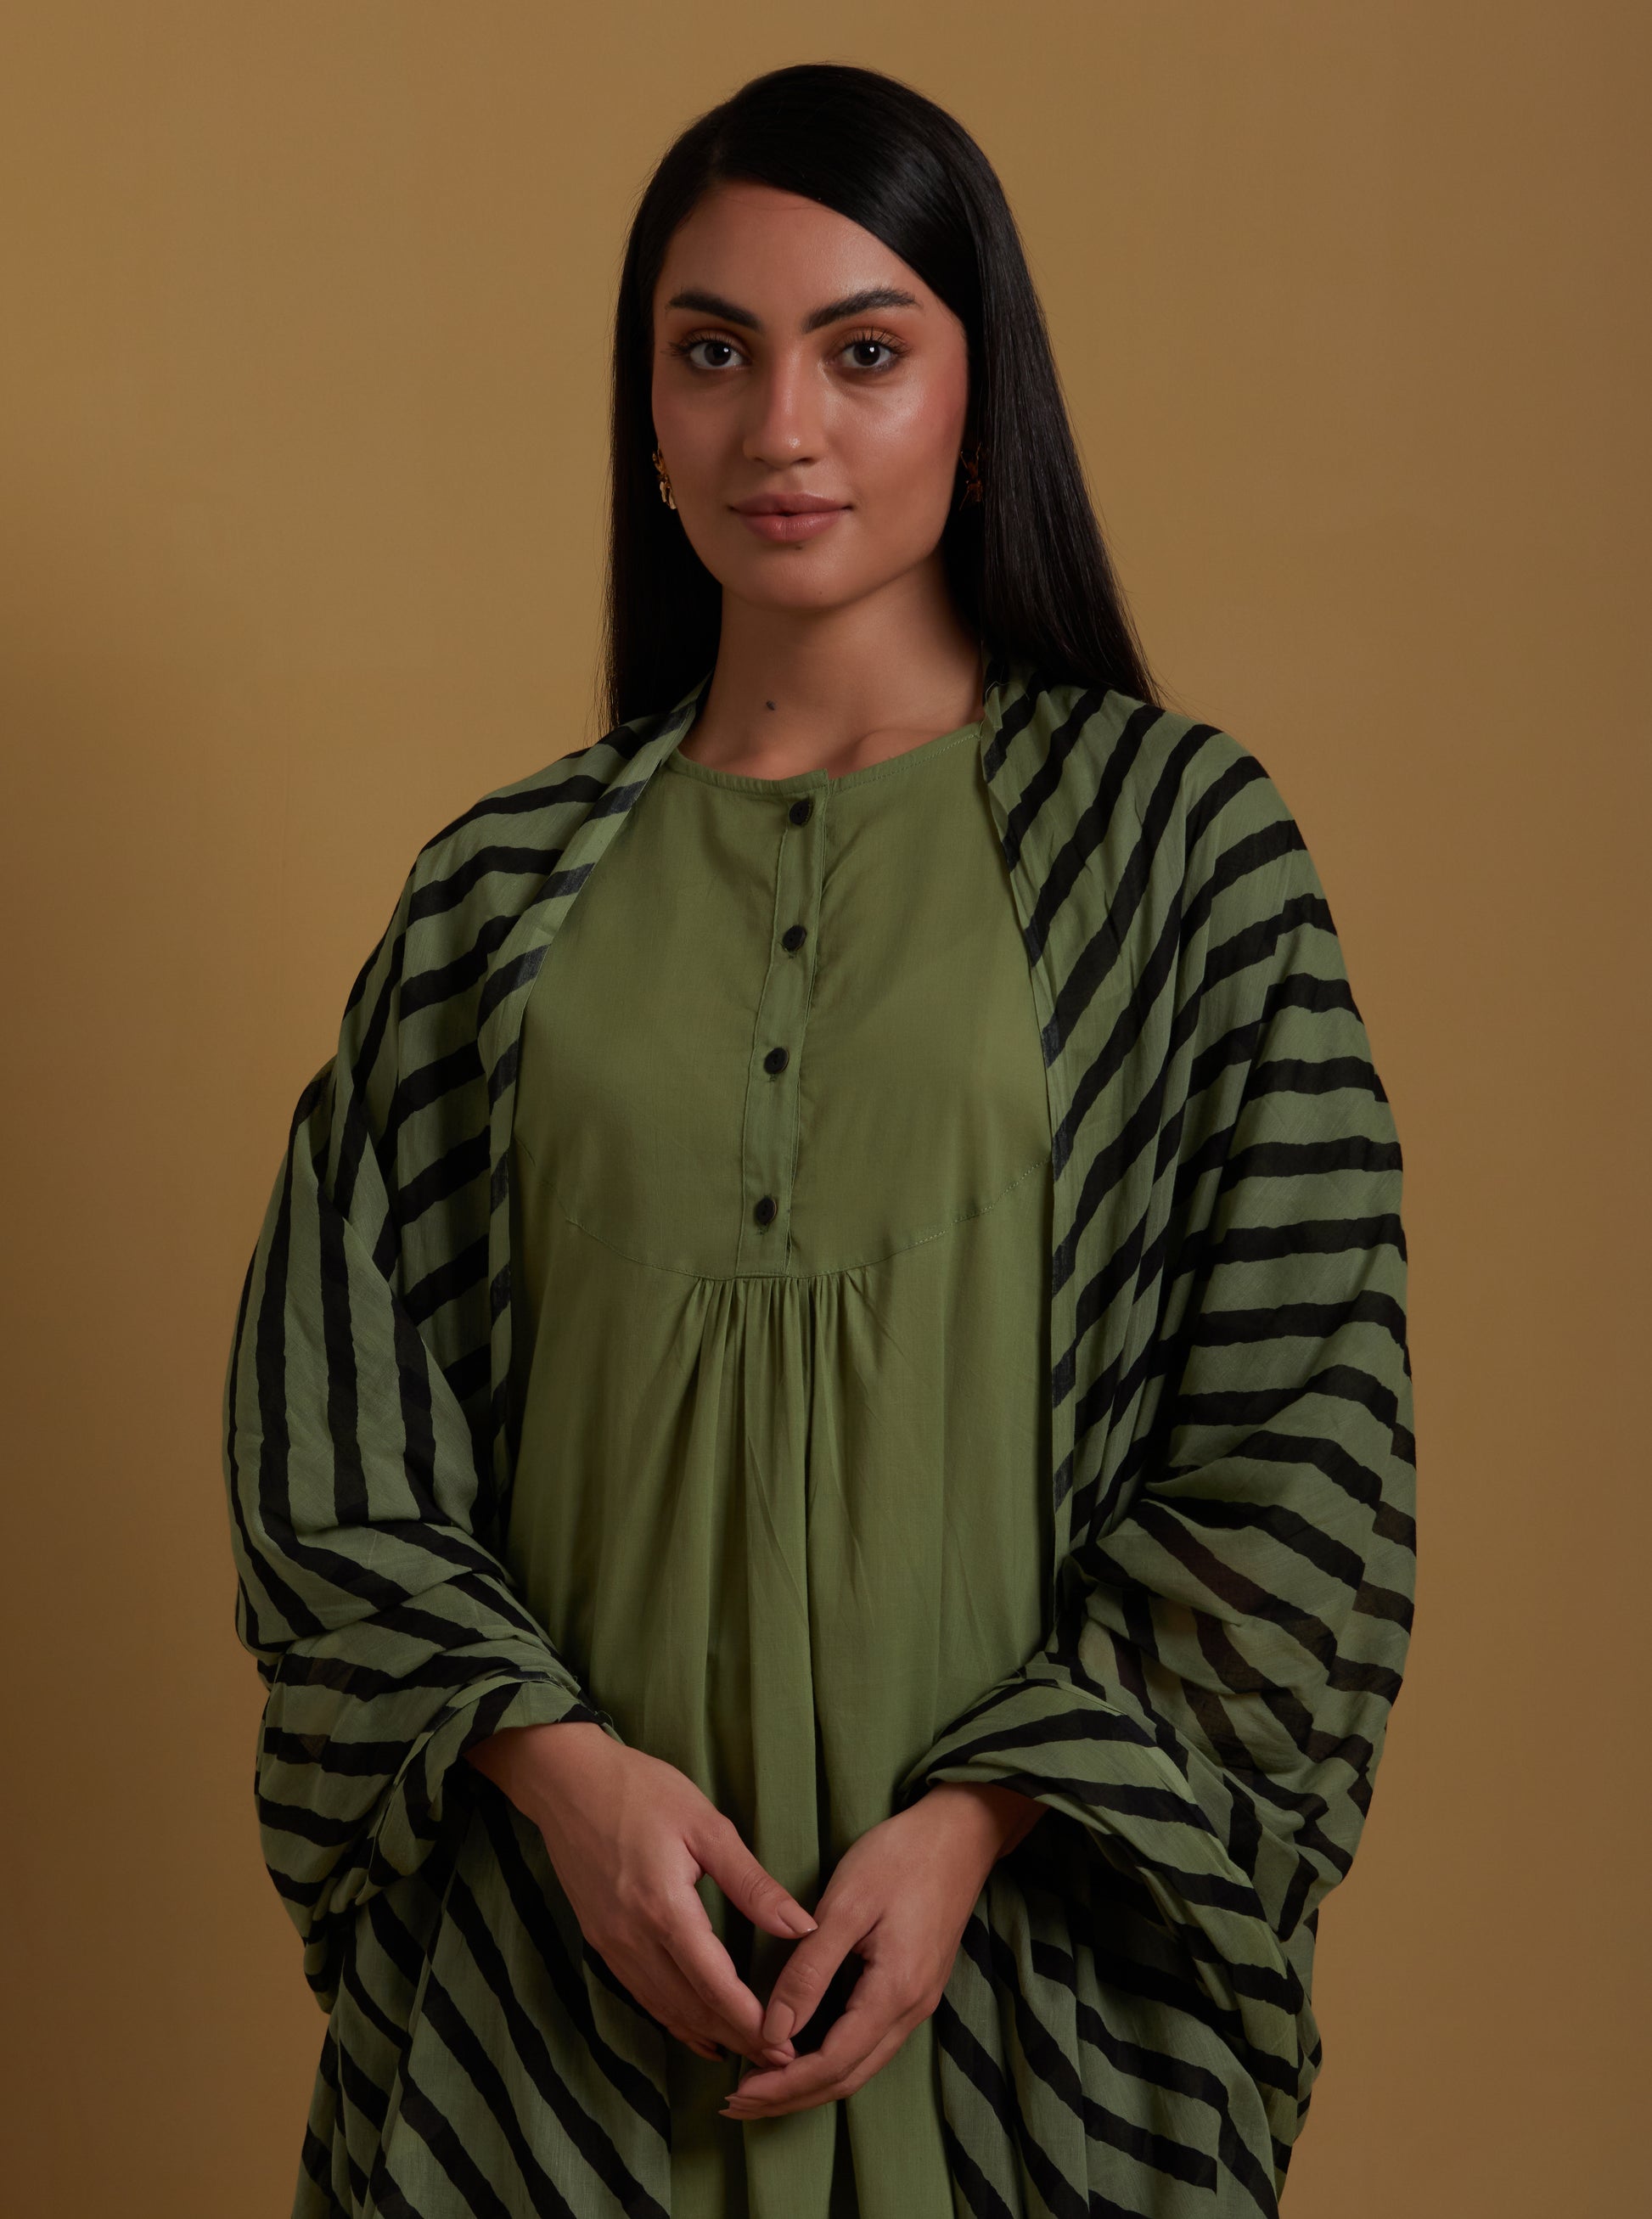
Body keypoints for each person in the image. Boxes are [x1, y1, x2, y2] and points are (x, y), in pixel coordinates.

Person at [221, 59, 1416, 2219]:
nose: (780, 427)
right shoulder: (500, 892)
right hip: (551, 1995)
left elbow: (1299, 1426)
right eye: (713, 354)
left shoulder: (1175, 850)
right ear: (645, 410)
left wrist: (974, 1827)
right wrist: (562, 1782)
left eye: (863, 353)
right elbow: (337, 1438)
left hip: (1023, 2009)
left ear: (981, 391)